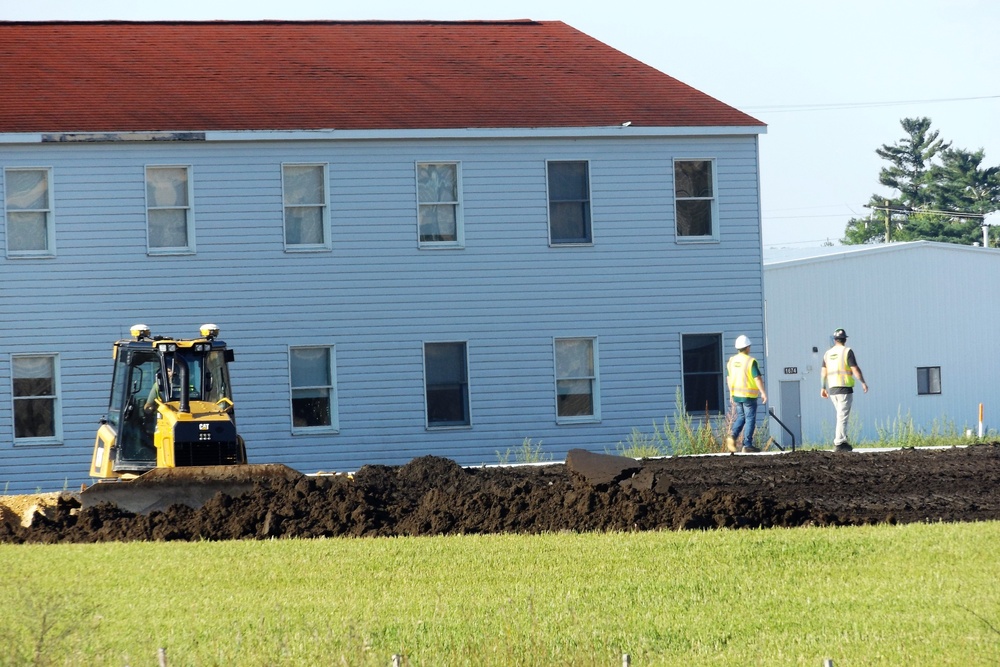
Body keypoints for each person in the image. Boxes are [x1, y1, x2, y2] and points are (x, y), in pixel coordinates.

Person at [820, 328, 868, 452]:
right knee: (842, 416)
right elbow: (855, 369)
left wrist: (822, 387)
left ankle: (843, 440)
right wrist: (863, 382)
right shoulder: (847, 351)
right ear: (845, 339)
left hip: (832, 389)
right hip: (844, 388)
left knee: (840, 415)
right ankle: (840, 442)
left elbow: (823, 372)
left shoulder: (828, 353)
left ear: (835, 339)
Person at [725, 335, 767, 453]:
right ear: (747, 347)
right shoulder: (750, 361)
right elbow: (757, 378)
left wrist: (731, 393)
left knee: (741, 417)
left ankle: (733, 436)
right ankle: (747, 444)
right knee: (749, 418)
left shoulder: (732, 361)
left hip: (737, 395)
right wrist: (763, 392)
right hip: (749, 395)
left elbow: (728, 378)